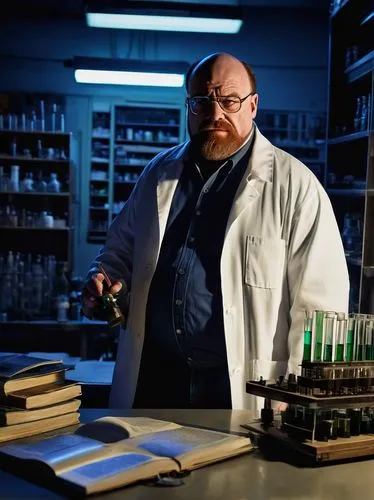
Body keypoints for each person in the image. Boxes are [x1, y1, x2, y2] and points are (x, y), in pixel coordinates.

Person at [82, 52, 349, 410]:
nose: (215, 113)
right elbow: (118, 252)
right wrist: (106, 281)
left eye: (229, 100)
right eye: (202, 101)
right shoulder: (156, 175)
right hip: (156, 381)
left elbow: (320, 312)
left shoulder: (297, 187)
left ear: (253, 106)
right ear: (189, 106)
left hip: (239, 390)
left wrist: (298, 404)